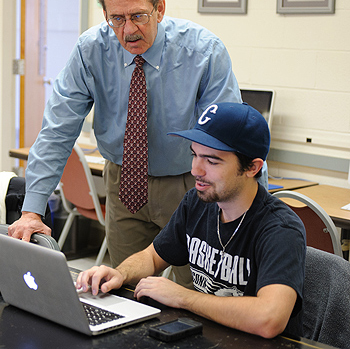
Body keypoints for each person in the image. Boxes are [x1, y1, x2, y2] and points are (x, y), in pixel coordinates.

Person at [9, 0, 243, 283]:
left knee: (198, 295)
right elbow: (57, 129)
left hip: (191, 186)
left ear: (159, 9)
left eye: (138, 16)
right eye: (116, 18)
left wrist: (244, 207)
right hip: (124, 185)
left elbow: (230, 136)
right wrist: (32, 210)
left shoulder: (203, 52)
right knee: (126, 292)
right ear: (105, 15)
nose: (128, 30)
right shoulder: (91, 51)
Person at [76, 102, 306, 339]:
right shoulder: (198, 203)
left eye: (212, 161)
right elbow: (153, 256)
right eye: (194, 154)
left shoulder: (280, 229)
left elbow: (269, 319)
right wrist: (120, 273)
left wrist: (183, 297)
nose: (196, 170)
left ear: (252, 168)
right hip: (207, 336)